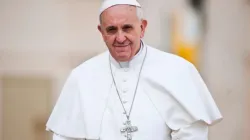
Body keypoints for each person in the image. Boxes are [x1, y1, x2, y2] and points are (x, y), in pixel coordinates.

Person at [46, 0, 223, 140]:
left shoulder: (178, 70)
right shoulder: (81, 77)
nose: (120, 37)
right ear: (101, 32)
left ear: (142, 27)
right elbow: (65, 136)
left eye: (127, 28)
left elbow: (193, 134)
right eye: (112, 30)